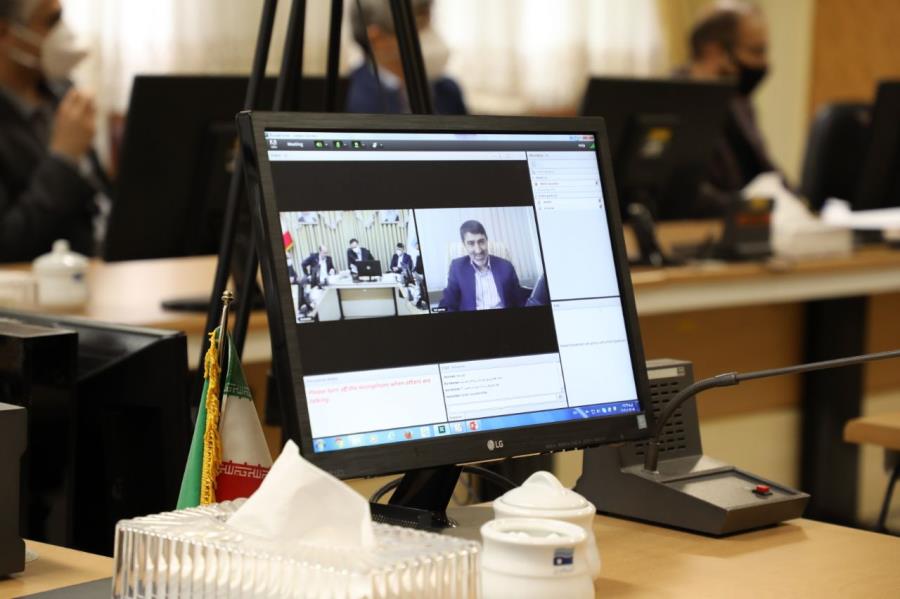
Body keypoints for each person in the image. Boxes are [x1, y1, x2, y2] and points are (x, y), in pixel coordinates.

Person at [0, 0, 111, 262]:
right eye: (52, 21)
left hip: (100, 267)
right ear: (4, 34)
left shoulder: (62, 95)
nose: (64, 31)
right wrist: (63, 159)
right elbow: (6, 244)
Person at [683, 0, 783, 216]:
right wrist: (750, 207)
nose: (764, 63)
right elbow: (688, 196)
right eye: (756, 51)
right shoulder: (673, 103)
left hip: (751, 222)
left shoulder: (739, 102)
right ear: (713, 52)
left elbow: (765, 169)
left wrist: (799, 204)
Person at [348, 0, 467, 115]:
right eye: (418, 24)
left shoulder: (448, 91)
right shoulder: (348, 98)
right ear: (377, 39)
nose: (430, 35)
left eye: (429, 22)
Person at [439, 220, 526, 312]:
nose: (478, 250)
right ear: (464, 245)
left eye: (481, 242)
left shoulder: (506, 267)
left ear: (486, 241)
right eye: (471, 243)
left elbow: (519, 300)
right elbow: (448, 303)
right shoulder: (457, 268)